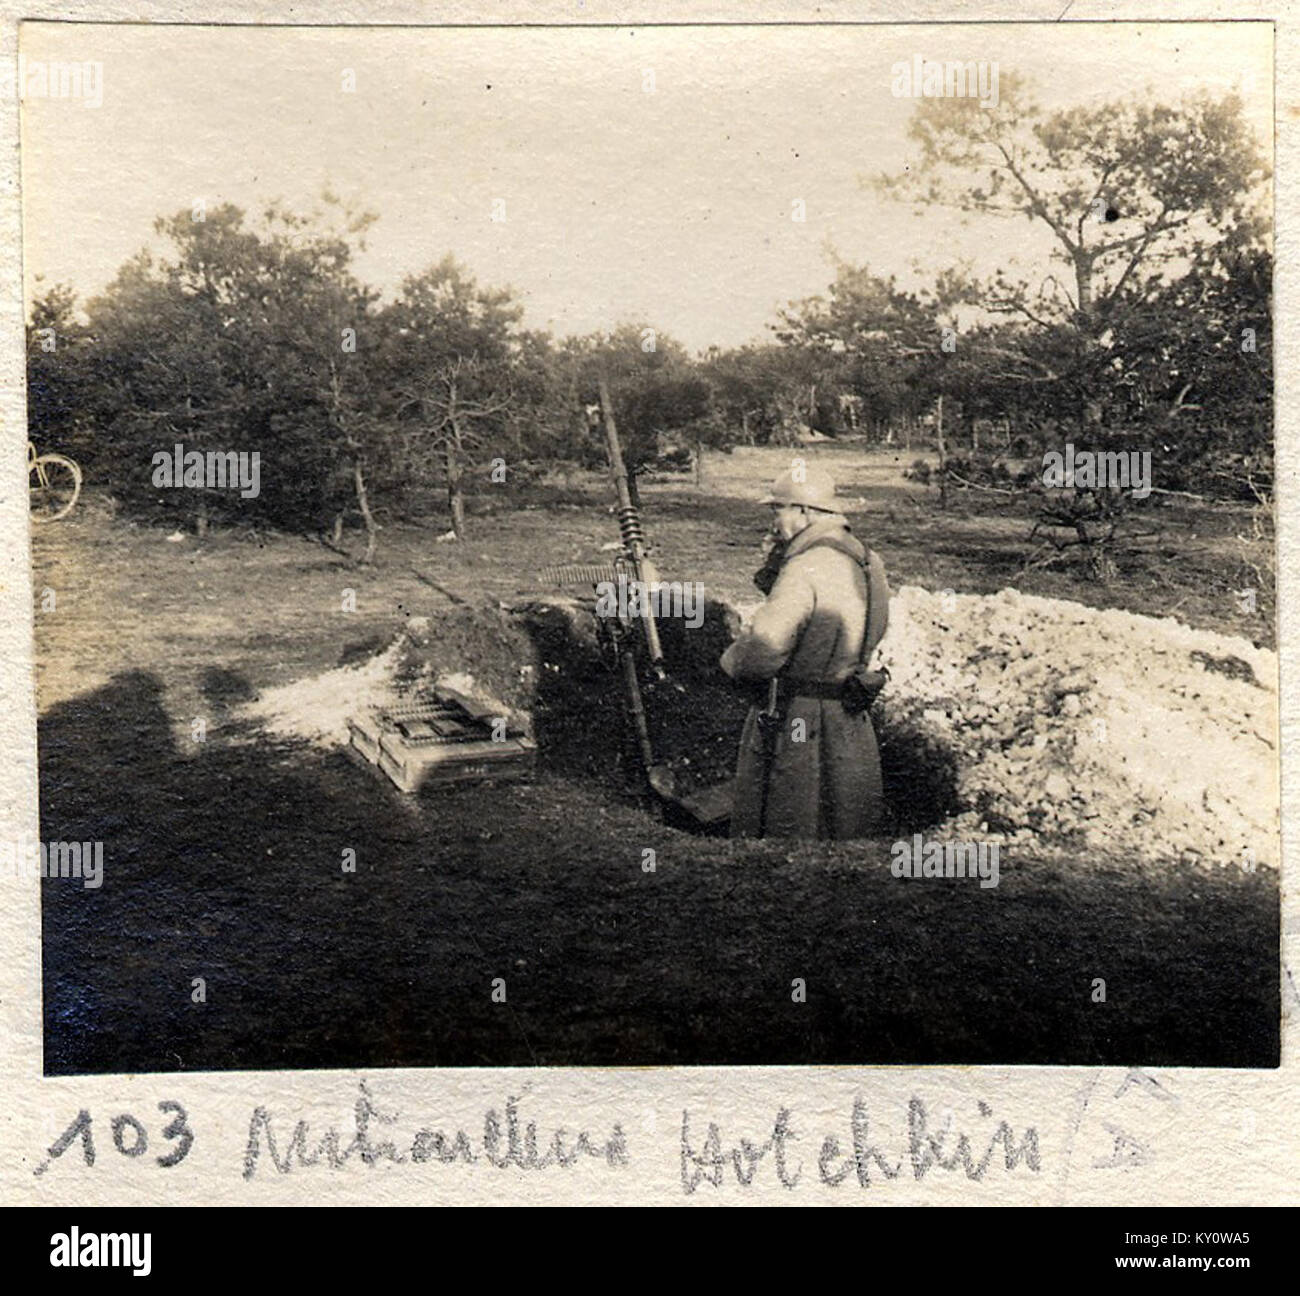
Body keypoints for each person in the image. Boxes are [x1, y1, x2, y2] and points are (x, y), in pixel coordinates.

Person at [719, 464, 890, 840]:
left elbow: (764, 650)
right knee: (845, 826)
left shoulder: (805, 565)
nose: (773, 520)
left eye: (777, 509)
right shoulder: (868, 560)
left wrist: (730, 661)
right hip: (849, 716)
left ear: (803, 511)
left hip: (799, 720)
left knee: (791, 823)